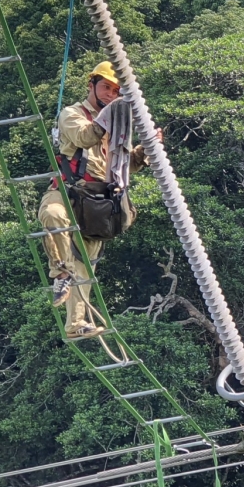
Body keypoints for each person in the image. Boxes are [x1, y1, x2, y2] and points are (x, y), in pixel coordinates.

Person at [38, 61, 150, 339]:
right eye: (106, 87)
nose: (111, 94)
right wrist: (112, 116)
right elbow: (85, 137)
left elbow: (125, 165)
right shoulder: (72, 114)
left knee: (85, 264)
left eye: (116, 90)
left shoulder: (118, 125)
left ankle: (75, 325)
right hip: (70, 192)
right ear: (91, 86)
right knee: (53, 215)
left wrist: (146, 148)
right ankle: (61, 274)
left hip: (99, 202)